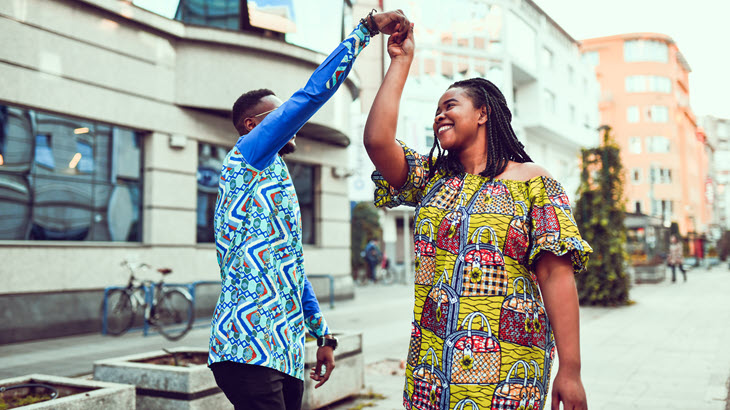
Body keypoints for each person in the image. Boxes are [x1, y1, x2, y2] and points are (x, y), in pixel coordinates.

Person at [363, 24, 592, 410]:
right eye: (436, 111)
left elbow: (556, 274)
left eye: (450, 105)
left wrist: (570, 370)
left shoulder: (534, 182)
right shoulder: (431, 179)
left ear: (483, 113)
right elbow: (377, 141)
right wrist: (401, 62)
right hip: (432, 369)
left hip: (510, 370)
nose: (440, 116)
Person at [208, 9, 411, 410]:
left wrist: (324, 336)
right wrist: (366, 30)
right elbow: (311, 95)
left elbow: (291, 267)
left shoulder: (276, 176)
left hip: (282, 354)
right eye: (279, 116)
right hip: (244, 348)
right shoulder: (247, 159)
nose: (291, 123)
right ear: (252, 125)